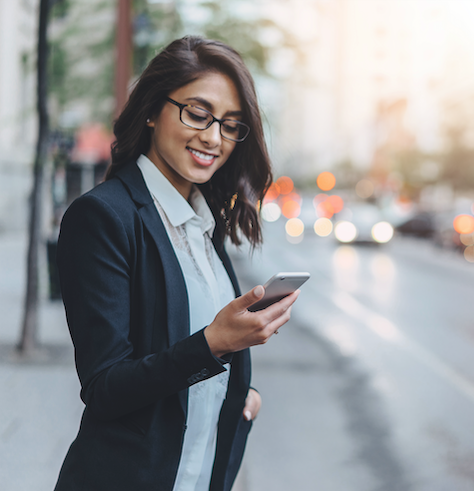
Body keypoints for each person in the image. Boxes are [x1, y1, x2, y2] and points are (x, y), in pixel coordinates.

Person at [54, 36, 299, 491]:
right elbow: (105, 387)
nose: (213, 138)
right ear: (152, 110)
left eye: (230, 124)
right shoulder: (104, 217)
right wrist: (213, 343)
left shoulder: (205, 224)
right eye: (198, 114)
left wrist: (244, 398)